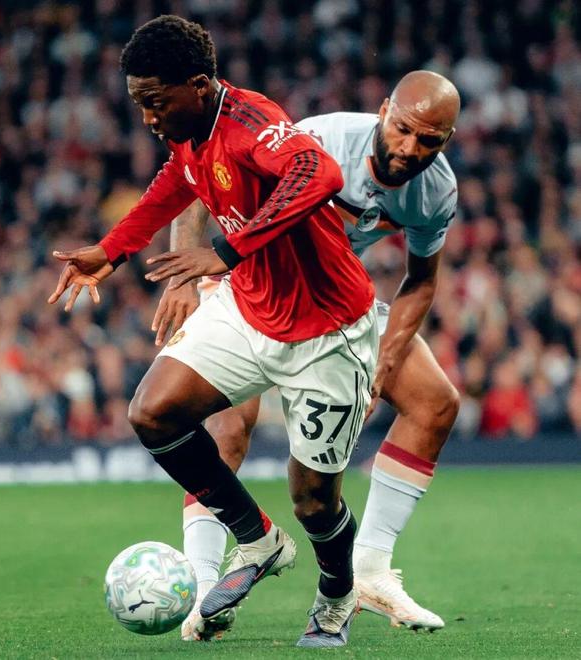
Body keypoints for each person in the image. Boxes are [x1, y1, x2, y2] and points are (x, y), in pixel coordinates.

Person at [47, 16, 379, 647]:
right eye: (139, 103)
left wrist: (225, 251)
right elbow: (174, 185)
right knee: (153, 412)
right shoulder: (189, 134)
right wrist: (111, 250)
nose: (148, 117)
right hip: (250, 309)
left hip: (327, 331)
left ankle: (337, 593)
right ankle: (257, 539)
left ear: (198, 85)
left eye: (155, 101)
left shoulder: (251, 121)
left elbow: (320, 175)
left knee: (313, 499)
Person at [154, 70, 461, 639]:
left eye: (430, 141)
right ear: (383, 109)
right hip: (251, 277)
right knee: (224, 427)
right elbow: (198, 179)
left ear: (447, 140)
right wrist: (187, 279)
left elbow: (421, 279)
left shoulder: (436, 190)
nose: (409, 148)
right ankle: (203, 584)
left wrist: (383, 363)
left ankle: (369, 572)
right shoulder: (320, 140)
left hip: (334, 300)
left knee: (435, 404)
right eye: (402, 129)